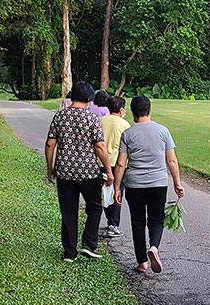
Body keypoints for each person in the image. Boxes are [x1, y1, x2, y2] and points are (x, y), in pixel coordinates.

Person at [113, 95, 184, 273]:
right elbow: (172, 160)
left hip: (134, 185)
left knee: (137, 222)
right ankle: (154, 247)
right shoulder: (163, 131)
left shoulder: (127, 134)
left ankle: (142, 262)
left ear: (133, 113)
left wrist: (116, 187)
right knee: (156, 218)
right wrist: (177, 183)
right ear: (150, 111)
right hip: (158, 183)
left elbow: (121, 163)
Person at [45, 81, 113, 262]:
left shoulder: (59, 116)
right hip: (88, 172)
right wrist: (108, 170)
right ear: (90, 99)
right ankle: (89, 243)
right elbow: (99, 146)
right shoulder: (91, 119)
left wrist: (50, 167)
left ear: (72, 96)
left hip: (64, 171)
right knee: (95, 207)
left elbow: (51, 143)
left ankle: (69, 252)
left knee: (68, 210)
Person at [100, 94, 130, 237]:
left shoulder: (100, 121)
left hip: (101, 162)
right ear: (121, 110)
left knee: (104, 192)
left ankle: (107, 219)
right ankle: (113, 224)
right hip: (118, 163)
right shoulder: (124, 125)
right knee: (117, 192)